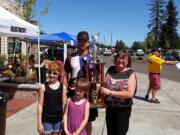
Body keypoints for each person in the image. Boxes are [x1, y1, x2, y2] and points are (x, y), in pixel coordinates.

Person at [65, 31, 98, 135]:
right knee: (71, 116)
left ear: (88, 42)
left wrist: (96, 92)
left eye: (84, 40)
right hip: (73, 92)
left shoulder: (93, 58)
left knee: (88, 120)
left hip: (88, 93)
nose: (82, 42)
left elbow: (97, 77)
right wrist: (65, 88)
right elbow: (65, 75)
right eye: (79, 40)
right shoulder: (70, 57)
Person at [100, 50, 137, 135]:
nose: (120, 60)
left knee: (120, 132)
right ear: (115, 59)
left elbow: (129, 94)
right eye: (118, 58)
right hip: (110, 108)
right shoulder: (110, 69)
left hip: (123, 109)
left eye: (123, 58)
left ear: (128, 61)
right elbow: (105, 83)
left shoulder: (131, 73)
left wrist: (110, 92)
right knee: (110, 132)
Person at [37, 62, 68, 135]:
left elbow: (64, 105)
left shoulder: (63, 87)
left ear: (59, 74)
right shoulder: (43, 87)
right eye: (49, 72)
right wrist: (39, 123)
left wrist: (64, 120)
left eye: (54, 73)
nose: (51, 75)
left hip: (58, 119)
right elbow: (40, 105)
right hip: (46, 120)